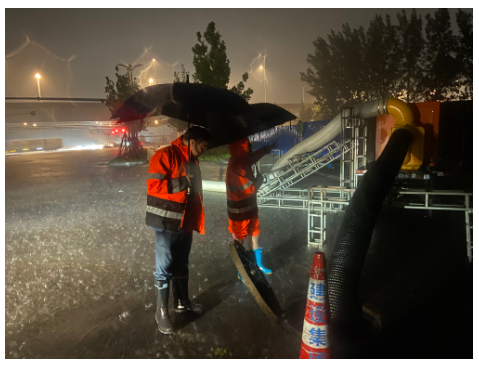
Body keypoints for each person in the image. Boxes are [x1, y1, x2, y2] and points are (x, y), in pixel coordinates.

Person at [146, 126, 211, 334]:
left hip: (186, 221)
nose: (204, 151)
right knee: (164, 268)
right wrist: (184, 181)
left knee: (182, 264)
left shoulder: (192, 159)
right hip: (166, 223)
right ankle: (162, 312)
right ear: (192, 141)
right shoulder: (164, 155)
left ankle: (182, 302)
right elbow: (153, 186)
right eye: (202, 146)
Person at [226, 138, 275, 279]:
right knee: (239, 241)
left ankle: (258, 264)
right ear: (242, 146)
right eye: (247, 144)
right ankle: (242, 271)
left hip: (250, 208)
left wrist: (267, 148)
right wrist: (258, 181)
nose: (250, 147)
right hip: (239, 212)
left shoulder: (242, 159)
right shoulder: (236, 165)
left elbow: (253, 157)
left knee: (255, 234)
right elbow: (249, 188)